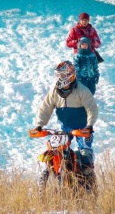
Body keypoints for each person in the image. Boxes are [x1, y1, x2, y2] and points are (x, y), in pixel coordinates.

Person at [34, 61, 98, 191]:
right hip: (65, 129)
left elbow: (92, 108)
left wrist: (90, 125)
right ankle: (58, 174)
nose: (59, 79)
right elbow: (45, 108)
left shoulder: (82, 90)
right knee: (56, 150)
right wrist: (39, 125)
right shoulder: (54, 91)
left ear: (70, 75)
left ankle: (91, 188)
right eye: (58, 76)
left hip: (82, 128)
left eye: (62, 76)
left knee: (86, 157)